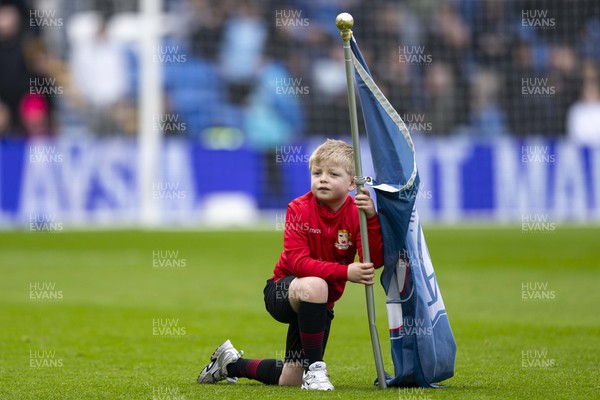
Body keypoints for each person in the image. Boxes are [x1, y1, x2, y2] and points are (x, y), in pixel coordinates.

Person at [197, 139, 384, 391]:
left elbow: (373, 261)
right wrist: (344, 272)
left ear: (352, 183)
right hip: (284, 291)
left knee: (290, 379)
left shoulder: (357, 213)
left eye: (333, 174)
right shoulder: (298, 208)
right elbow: (298, 263)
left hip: (320, 302)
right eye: (317, 173)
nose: (323, 179)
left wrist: (371, 218)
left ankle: (230, 364)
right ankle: (317, 371)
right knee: (316, 286)